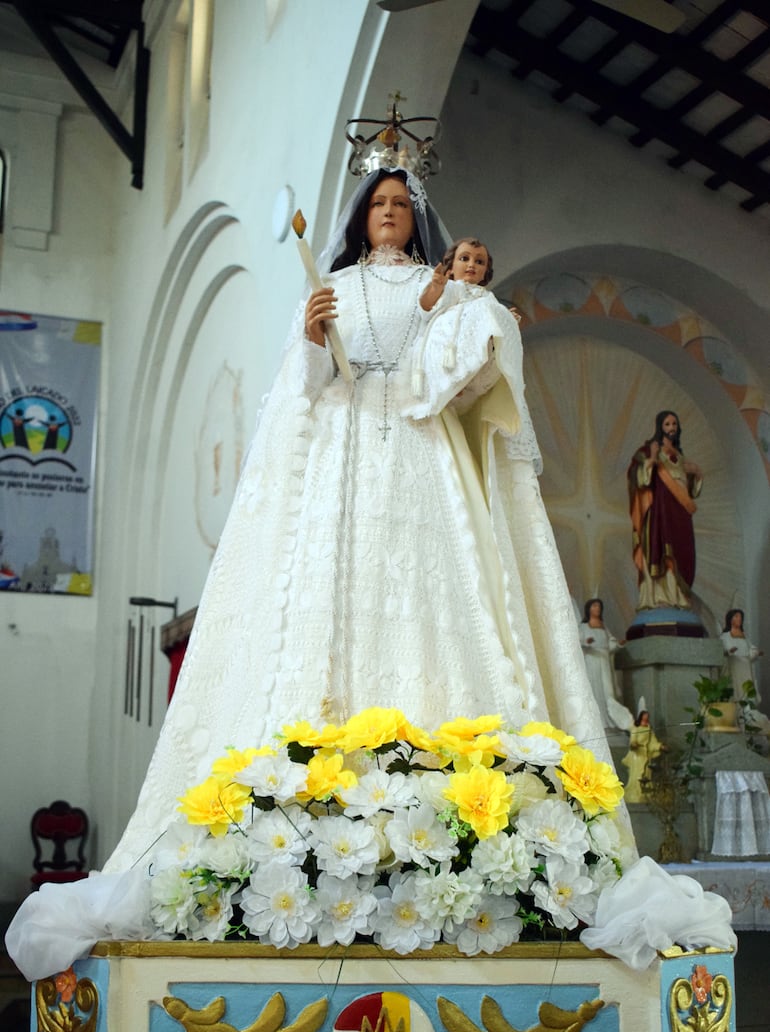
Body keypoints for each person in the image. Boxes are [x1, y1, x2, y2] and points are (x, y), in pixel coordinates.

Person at [104, 166, 632, 873]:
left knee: (433, 591)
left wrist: (482, 334)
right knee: (329, 590)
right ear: (361, 216)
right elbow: (302, 389)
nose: (388, 212)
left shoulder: (440, 288)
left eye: (399, 204)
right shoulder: (333, 287)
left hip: (422, 448)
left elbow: (463, 374)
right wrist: (313, 338)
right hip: (341, 452)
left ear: (416, 217)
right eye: (378, 202)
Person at [628, 410, 702, 610]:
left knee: (681, 550)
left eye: (674, 424)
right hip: (661, 512)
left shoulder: (679, 455)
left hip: (681, 513)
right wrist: (652, 458)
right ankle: (662, 596)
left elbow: (690, 491)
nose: (671, 428)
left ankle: (678, 595)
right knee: (662, 549)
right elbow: (639, 478)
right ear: (660, 427)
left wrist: (696, 474)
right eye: (667, 424)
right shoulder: (651, 449)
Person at [578, 598, 633, 731]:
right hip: (592, 660)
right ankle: (597, 720)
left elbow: (610, 644)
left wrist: (618, 644)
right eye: (594, 606)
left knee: (608, 690)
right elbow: (578, 641)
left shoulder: (603, 626)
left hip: (604, 660)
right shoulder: (583, 627)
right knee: (595, 689)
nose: (597, 608)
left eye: (599, 606)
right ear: (588, 609)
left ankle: (611, 719)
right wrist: (587, 642)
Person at [721, 609, 770, 735]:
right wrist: (729, 651)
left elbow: (750, 650)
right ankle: (738, 720)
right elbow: (723, 650)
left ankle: (749, 719)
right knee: (737, 691)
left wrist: (756, 653)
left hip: (746, 668)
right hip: (735, 667)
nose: (739, 619)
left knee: (748, 692)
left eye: (740, 617)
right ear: (730, 619)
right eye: (736, 616)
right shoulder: (725, 636)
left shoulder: (744, 636)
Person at [622, 709, 665, 804]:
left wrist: (660, 746)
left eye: (647, 717)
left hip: (646, 755)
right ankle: (635, 795)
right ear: (641, 717)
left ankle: (645, 794)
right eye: (644, 717)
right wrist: (634, 744)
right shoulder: (636, 728)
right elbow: (633, 740)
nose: (646, 719)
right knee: (637, 774)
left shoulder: (649, 729)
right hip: (637, 755)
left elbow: (652, 742)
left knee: (646, 773)